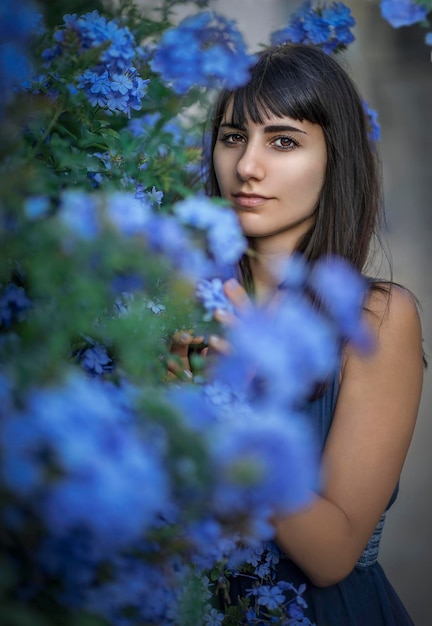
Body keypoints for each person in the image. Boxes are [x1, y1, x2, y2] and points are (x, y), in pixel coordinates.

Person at [198, 43, 424, 625]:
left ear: (335, 159)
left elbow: (330, 557)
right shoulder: (172, 298)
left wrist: (233, 412)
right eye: (231, 137)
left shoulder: (377, 318)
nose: (248, 166)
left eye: (283, 141)